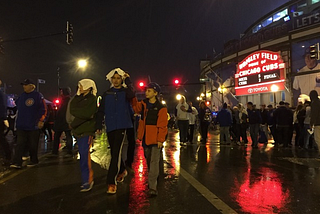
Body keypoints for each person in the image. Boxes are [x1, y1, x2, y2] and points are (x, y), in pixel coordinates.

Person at [96, 68, 135, 194]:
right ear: (111, 79)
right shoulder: (107, 94)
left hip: (122, 125)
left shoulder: (125, 92)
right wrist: (98, 125)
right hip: (110, 125)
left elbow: (132, 95)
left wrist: (128, 81)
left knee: (116, 152)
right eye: (114, 78)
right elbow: (101, 110)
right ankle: (122, 169)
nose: (116, 80)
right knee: (114, 152)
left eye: (119, 78)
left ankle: (111, 182)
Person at [132, 82, 168, 197]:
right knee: (148, 160)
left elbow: (162, 125)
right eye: (146, 90)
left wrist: (160, 140)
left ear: (155, 93)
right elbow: (135, 107)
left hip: (155, 139)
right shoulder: (143, 105)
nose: (146, 92)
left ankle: (153, 187)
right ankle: (155, 178)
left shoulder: (161, 108)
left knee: (154, 162)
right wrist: (131, 92)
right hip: (145, 138)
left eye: (149, 91)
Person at [10, 79, 47, 169]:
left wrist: (41, 120)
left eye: (26, 85)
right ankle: (17, 162)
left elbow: (44, 109)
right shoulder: (21, 96)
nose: (24, 86)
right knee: (19, 144)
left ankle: (34, 160)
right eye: (23, 85)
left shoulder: (38, 96)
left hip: (33, 125)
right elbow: (17, 107)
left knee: (33, 145)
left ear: (32, 86)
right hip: (21, 125)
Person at [69, 79, 97, 192]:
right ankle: (85, 180)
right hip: (78, 131)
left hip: (86, 131)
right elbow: (72, 109)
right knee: (82, 156)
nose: (79, 88)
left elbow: (87, 114)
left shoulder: (92, 99)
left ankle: (87, 180)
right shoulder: (77, 98)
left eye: (81, 85)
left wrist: (74, 123)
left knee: (84, 157)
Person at [52, 87, 73, 157]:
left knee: (67, 136)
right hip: (61, 122)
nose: (61, 93)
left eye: (62, 92)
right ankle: (56, 151)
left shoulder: (68, 101)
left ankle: (68, 151)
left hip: (64, 122)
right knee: (64, 136)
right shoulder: (65, 101)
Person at [0, 79, 11, 165]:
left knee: (1, 138)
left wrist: (4, 118)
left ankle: (8, 155)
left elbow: (3, 106)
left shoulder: (1, 94)